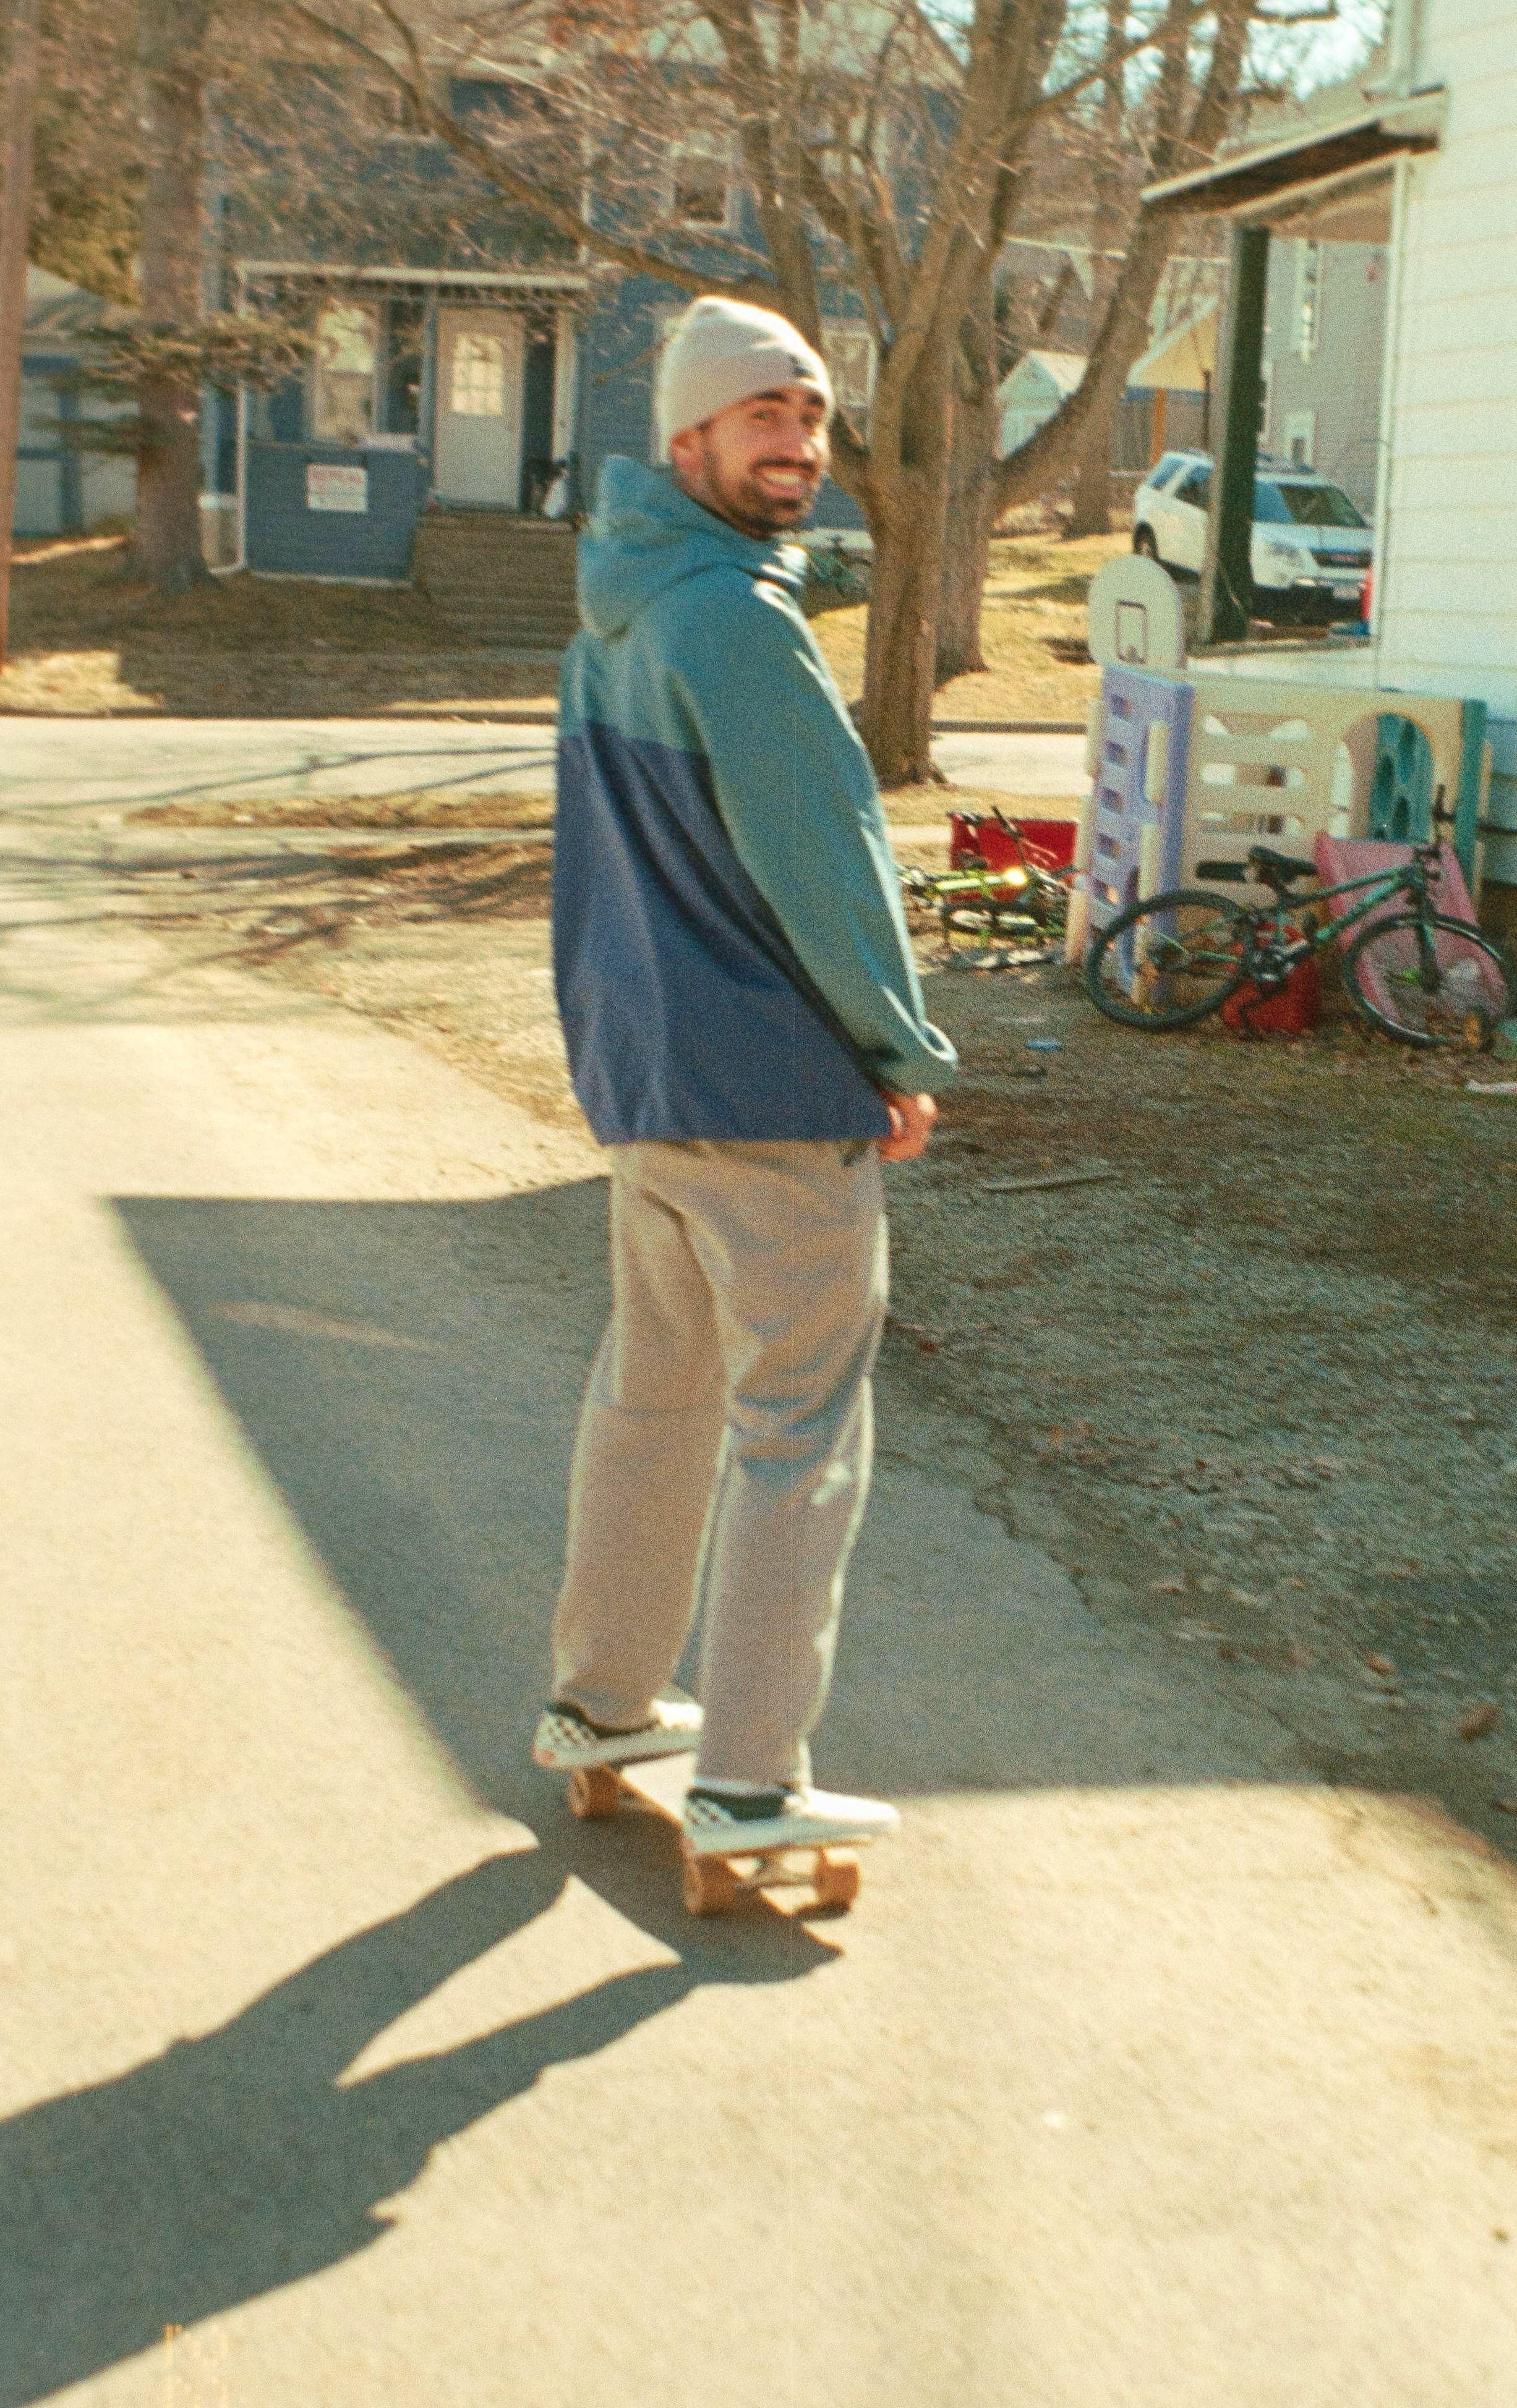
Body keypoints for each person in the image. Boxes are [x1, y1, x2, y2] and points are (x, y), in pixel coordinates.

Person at [529, 298, 957, 1858]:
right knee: (797, 1427)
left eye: (812, 414)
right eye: (762, 414)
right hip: (770, 1088)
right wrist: (897, 1052)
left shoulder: (617, 614)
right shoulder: (735, 621)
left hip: (650, 1079)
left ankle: (601, 1699)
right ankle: (751, 1781)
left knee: (654, 1400)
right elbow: (827, 869)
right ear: (686, 436)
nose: (797, 441)